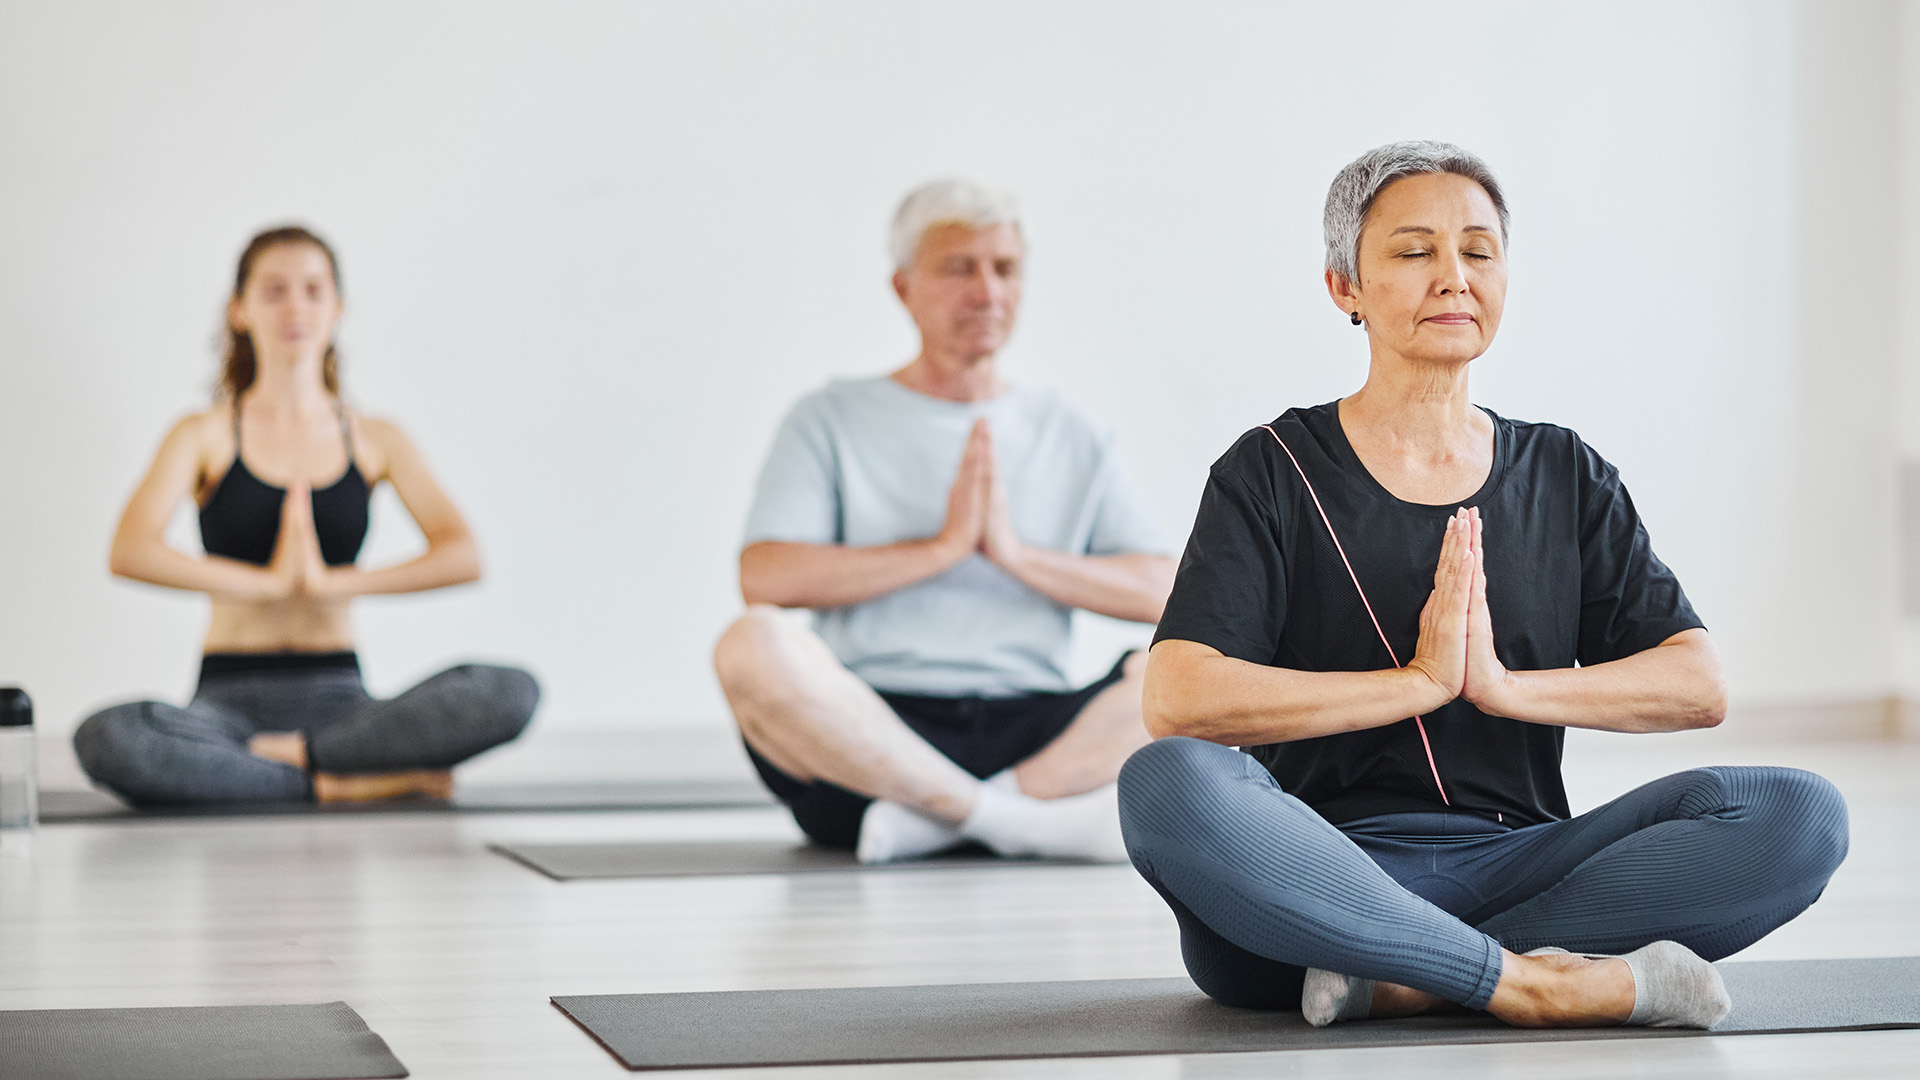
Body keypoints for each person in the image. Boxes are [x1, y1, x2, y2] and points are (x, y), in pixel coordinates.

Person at [1118, 142, 1849, 1030]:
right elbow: (1178, 696)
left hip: (1523, 858)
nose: (1454, 277)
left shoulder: (1564, 471)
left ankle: (1406, 973)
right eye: (1414, 251)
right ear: (1344, 287)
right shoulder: (1271, 469)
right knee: (1170, 779)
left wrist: (1500, 688)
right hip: (1317, 869)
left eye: (1479, 251)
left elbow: (1696, 685)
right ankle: (1533, 983)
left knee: (1798, 812)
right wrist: (1416, 685)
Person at [714, 178, 1176, 864]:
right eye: (960, 268)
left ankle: (949, 816)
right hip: (870, 735)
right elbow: (766, 577)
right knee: (751, 643)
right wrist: (942, 547)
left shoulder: (1069, 431)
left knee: (1191, 670)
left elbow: (1165, 592)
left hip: (1034, 725)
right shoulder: (830, 417)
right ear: (903, 288)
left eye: (1004, 269)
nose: (987, 292)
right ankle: (1009, 818)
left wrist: (1014, 555)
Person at [75, 226, 537, 805]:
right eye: (274, 291)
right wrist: (267, 584)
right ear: (240, 311)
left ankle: (295, 766)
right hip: (226, 705)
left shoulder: (374, 437)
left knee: (510, 691)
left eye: (314, 290)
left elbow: (462, 554)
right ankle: (335, 783)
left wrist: (327, 584)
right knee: (109, 738)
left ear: (337, 308)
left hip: (344, 708)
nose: (296, 306)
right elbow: (131, 549)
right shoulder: (204, 434)